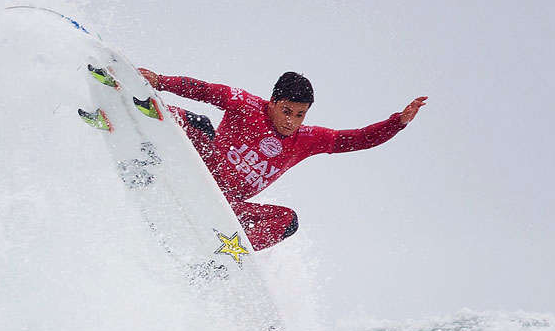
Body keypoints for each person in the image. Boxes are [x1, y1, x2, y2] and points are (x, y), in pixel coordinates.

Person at [137, 68, 427, 250]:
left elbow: (356, 139)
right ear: (273, 102)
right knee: (197, 121)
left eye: (300, 115)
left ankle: (225, 253)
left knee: (287, 221)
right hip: (196, 170)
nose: (292, 121)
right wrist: (160, 81)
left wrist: (397, 122)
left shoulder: (307, 139)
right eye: (287, 111)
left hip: (224, 208)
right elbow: (204, 91)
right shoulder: (246, 105)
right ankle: (137, 131)